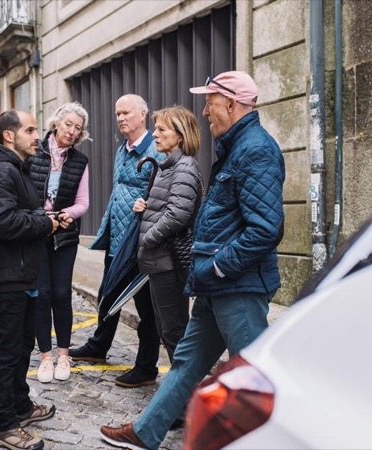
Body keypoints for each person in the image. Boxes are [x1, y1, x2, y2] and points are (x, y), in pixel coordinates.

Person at [100, 71, 286, 449]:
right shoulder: (236, 146)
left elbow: (266, 229)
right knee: (185, 361)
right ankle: (146, 431)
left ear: (231, 104)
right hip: (215, 282)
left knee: (252, 376)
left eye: (210, 102)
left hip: (238, 285)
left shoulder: (255, 149)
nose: (204, 111)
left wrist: (218, 265)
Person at [0, 110, 60, 450]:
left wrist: (46, 218)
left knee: (23, 345)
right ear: (10, 136)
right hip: (7, 275)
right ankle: (4, 426)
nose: (37, 135)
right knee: (7, 351)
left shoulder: (16, 168)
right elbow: (2, 222)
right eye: (30, 129)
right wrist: (44, 223)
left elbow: (19, 213)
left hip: (22, 272)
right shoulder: (0, 171)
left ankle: (21, 406)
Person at [69, 94, 165, 388]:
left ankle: (146, 367)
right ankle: (99, 346)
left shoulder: (156, 150)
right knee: (108, 294)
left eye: (126, 112)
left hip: (140, 240)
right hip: (117, 237)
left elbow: (161, 197)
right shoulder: (122, 150)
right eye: (117, 113)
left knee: (146, 306)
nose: (121, 117)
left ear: (143, 115)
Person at [131, 106, 203, 363]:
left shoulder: (183, 167)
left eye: (162, 129)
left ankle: (186, 395)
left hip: (168, 262)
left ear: (180, 136)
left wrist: (148, 237)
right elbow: (168, 207)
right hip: (159, 261)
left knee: (174, 332)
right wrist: (146, 206)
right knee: (167, 330)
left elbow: (177, 215)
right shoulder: (168, 166)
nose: (155, 134)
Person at [29, 102, 90, 383]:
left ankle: (63, 355)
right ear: (56, 123)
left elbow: (83, 203)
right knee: (42, 295)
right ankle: (45, 358)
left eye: (77, 128)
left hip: (65, 235)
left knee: (62, 294)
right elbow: (27, 197)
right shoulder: (34, 155)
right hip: (38, 233)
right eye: (69, 125)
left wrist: (66, 214)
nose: (72, 131)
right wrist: (42, 216)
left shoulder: (80, 161)